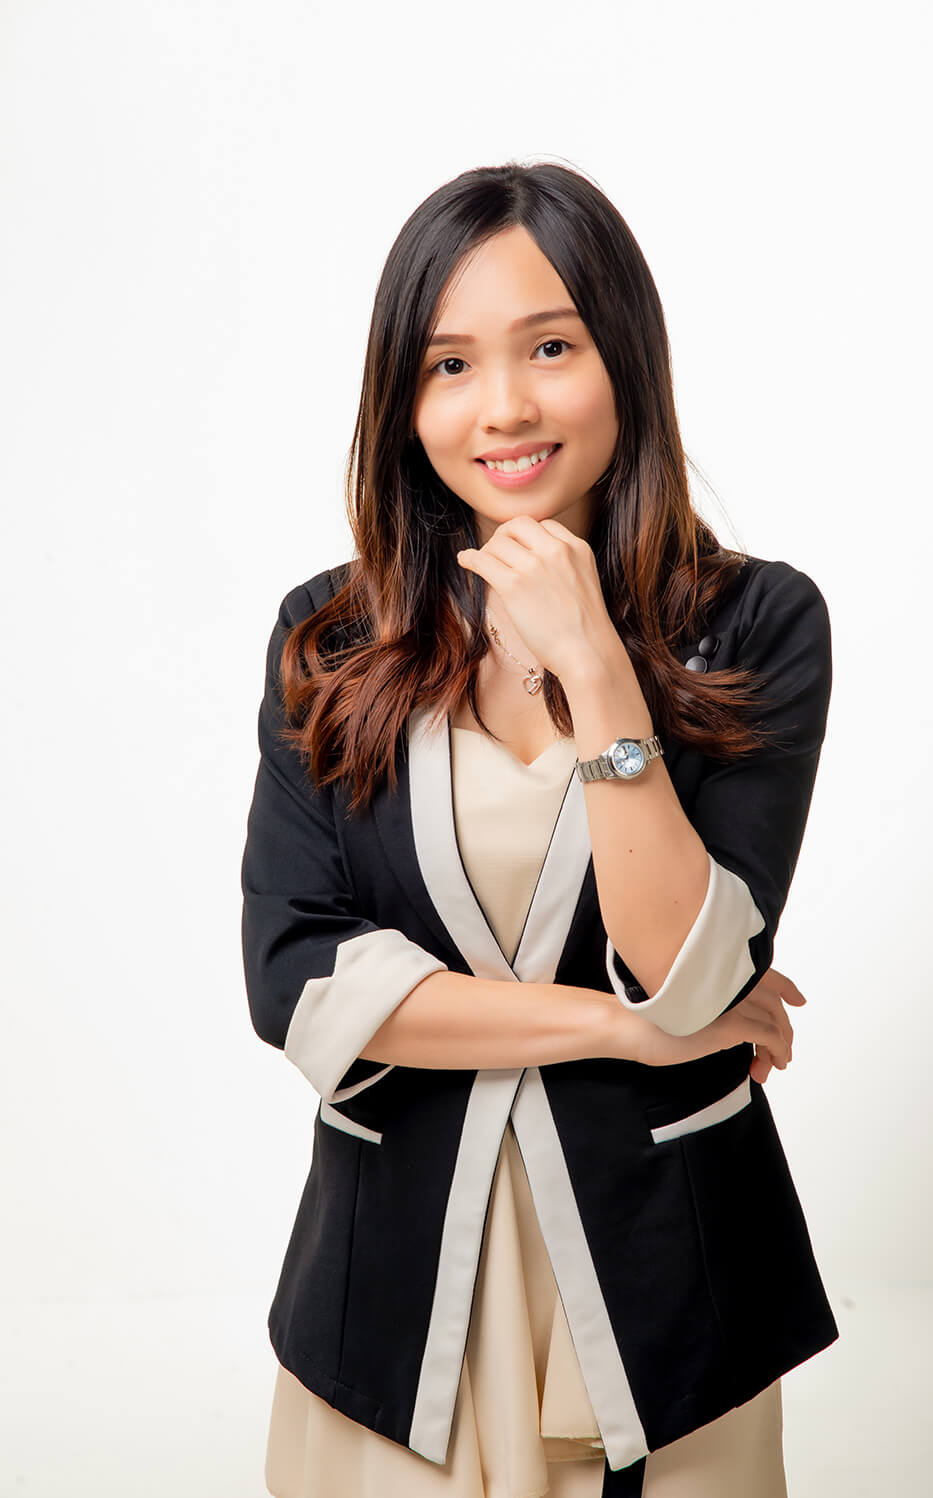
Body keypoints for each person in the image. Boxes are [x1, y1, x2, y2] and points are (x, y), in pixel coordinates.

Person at [240, 160, 839, 1498]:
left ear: (624, 355)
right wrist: (626, 1030)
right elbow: (301, 983)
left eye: (550, 346)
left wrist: (602, 675)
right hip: (391, 1317)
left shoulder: (759, 626)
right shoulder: (330, 638)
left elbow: (690, 965)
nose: (501, 405)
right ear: (405, 403)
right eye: (449, 364)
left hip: (668, 1307)